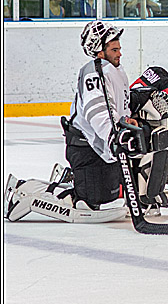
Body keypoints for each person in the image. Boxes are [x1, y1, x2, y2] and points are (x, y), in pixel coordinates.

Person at [5, 21, 155, 225]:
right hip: (85, 146)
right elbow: (97, 110)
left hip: (100, 145)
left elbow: (120, 106)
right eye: (114, 49)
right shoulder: (94, 73)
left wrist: (127, 121)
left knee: (107, 196)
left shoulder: (115, 70)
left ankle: (69, 176)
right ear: (100, 51)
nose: (120, 53)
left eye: (119, 48)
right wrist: (113, 136)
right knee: (87, 202)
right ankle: (23, 190)